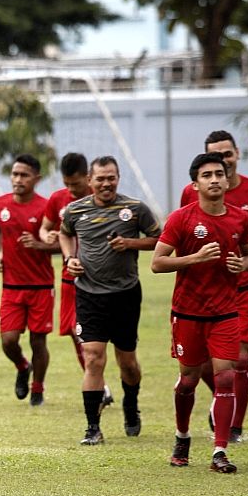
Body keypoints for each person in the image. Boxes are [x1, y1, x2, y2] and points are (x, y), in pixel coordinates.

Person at [152, 152, 248, 474]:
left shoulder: (240, 218)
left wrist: (243, 264)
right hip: (188, 313)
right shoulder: (182, 218)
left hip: (225, 312)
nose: (213, 180)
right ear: (195, 184)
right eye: (206, 175)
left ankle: (219, 450)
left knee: (226, 377)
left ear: (226, 179)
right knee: (189, 380)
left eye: (218, 174)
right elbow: (157, 263)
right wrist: (192, 259)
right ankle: (182, 437)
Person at [59, 156, 161, 445]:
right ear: (89, 181)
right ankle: (93, 427)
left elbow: (160, 239)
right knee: (93, 358)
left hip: (125, 294)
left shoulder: (135, 209)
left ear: (118, 178)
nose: (106, 183)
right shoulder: (75, 210)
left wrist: (131, 244)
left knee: (127, 362)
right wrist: (70, 259)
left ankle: (131, 405)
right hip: (89, 294)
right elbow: (64, 236)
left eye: (111, 178)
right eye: (100, 178)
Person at [176, 131, 248, 441]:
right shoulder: (190, 195)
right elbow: (181, 238)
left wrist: (243, 265)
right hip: (196, 299)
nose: (222, 163)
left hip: (242, 291)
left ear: (236, 154)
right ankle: (220, 405)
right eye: (214, 157)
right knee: (198, 368)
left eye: (227, 156)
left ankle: (232, 429)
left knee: (239, 361)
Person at [38, 152, 114, 408]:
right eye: (67, 184)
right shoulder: (58, 199)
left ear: (89, 178)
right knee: (74, 331)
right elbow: (46, 227)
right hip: (70, 276)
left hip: (102, 277)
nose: (71, 189)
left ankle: (101, 384)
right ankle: (100, 386)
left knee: (96, 336)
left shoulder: (100, 201)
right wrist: (48, 235)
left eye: (77, 184)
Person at [0, 154, 57, 406]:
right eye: (15, 174)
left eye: (24, 175)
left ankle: (38, 387)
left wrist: (39, 245)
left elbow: (64, 244)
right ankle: (22, 366)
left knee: (38, 340)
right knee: (8, 340)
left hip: (41, 286)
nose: (18, 179)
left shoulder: (46, 207)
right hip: (11, 286)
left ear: (36, 179)